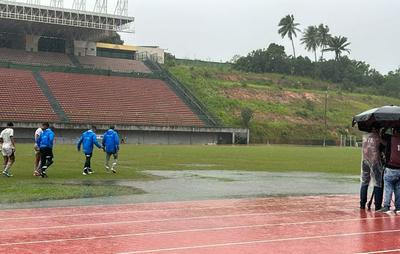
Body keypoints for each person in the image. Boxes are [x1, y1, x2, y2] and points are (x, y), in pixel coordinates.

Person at [359, 127, 384, 210]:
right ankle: (377, 205)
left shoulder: (365, 137)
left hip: (365, 160)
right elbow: (385, 144)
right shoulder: (377, 137)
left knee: (364, 182)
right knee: (378, 182)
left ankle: (362, 203)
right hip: (375, 161)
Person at [378, 128, 400, 214]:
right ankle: (398, 207)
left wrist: (386, 127)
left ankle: (386, 206)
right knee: (398, 188)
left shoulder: (390, 138)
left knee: (388, 187)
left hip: (391, 167)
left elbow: (381, 136)